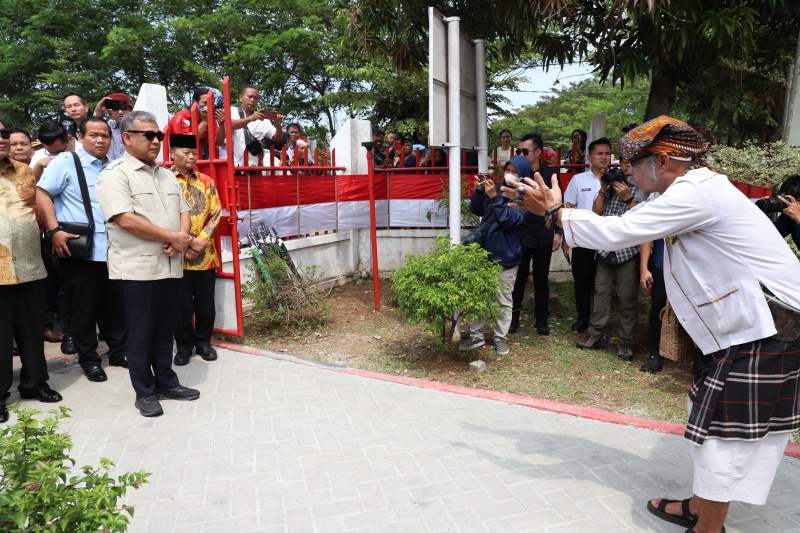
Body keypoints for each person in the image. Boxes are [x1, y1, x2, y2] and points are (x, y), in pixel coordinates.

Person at [502, 116, 800, 533]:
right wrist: (560, 212)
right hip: (750, 325)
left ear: (661, 162)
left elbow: (619, 232)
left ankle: (707, 527)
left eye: (632, 165)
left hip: (765, 330)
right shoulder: (690, 189)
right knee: (710, 421)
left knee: (722, 437)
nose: (627, 173)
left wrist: (555, 212)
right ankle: (699, 506)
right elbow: (621, 226)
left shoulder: (694, 193)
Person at [96, 111, 200, 417]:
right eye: (149, 135)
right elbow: (125, 219)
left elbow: (184, 210)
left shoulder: (166, 174)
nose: (156, 141)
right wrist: (173, 237)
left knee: (164, 330)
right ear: (127, 137)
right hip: (137, 269)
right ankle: (145, 391)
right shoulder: (115, 174)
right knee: (140, 334)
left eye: (159, 136)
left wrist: (181, 238)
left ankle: (166, 382)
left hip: (170, 264)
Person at [36, 116, 128, 383]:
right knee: (83, 309)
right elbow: (43, 194)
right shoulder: (67, 161)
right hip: (80, 249)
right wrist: (54, 231)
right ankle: (89, 360)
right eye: (93, 135)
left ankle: (119, 352)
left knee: (115, 306)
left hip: (114, 249)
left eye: (105, 136)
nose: (100, 140)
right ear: (80, 136)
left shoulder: (114, 166)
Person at [1, 127, 63, 424]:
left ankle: (35, 384)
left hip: (29, 265)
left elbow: (34, 209)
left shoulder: (24, 171)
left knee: (31, 330)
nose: (2, 140)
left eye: (3, 135)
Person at [576, 157, 643, 361]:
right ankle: (595, 334)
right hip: (605, 250)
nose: (626, 167)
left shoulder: (642, 188)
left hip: (627, 251)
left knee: (627, 299)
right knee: (601, 295)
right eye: (623, 163)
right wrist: (604, 188)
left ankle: (625, 342)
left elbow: (644, 220)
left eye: (631, 163)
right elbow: (596, 212)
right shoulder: (609, 184)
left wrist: (627, 197)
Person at [460, 155, 526, 356]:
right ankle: (476, 336)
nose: (510, 174)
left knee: (503, 300)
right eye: (508, 170)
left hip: (507, 256)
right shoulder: (496, 187)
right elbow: (476, 209)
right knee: (481, 297)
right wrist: (479, 192)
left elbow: (508, 219)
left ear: (523, 175)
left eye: (515, 172)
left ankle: (500, 338)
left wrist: (495, 198)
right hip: (485, 253)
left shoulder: (526, 197)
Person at [168, 134, 221, 366]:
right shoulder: (164, 180)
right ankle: (183, 346)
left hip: (205, 254)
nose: (191, 157)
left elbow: (216, 213)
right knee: (180, 305)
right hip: (177, 254)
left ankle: (204, 343)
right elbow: (163, 216)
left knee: (205, 303)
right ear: (172, 153)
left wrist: (200, 242)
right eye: (186, 152)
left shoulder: (206, 181)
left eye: (194, 153)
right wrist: (189, 242)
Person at [510, 133, 562, 336]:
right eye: (518, 151)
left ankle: (541, 320)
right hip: (520, 235)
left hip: (543, 233)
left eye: (525, 151)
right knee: (518, 280)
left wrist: (558, 232)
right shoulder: (517, 173)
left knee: (541, 280)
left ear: (538, 152)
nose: (521, 155)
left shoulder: (550, 174)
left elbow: (558, 205)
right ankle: (513, 319)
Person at [562, 138, 610, 332]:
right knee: (582, 279)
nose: (604, 157)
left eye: (607, 153)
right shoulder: (578, 180)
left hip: (607, 238)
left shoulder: (616, 179)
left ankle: (600, 320)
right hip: (582, 238)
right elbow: (569, 208)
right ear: (589, 157)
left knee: (602, 283)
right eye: (600, 153)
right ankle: (582, 317)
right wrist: (566, 238)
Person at [215, 85, 284, 170]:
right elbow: (230, 124)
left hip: (251, 168)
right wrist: (251, 119)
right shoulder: (230, 111)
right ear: (241, 97)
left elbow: (278, 138)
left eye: (255, 98)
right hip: (230, 166)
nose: (252, 100)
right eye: (250, 96)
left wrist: (278, 125)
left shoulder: (263, 120)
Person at [638, 206, 667, 373]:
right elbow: (647, 232)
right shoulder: (657, 198)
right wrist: (644, 268)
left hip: (689, 265)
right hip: (661, 262)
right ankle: (655, 354)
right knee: (658, 308)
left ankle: (700, 359)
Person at [93, 93, 133, 161]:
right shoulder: (108, 126)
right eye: (115, 109)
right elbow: (95, 127)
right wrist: (99, 110)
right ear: (110, 113)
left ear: (130, 111)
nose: (120, 112)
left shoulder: (139, 127)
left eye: (124, 108)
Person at [772, 175, 800, 248]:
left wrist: (799, 219)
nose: (791, 201)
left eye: (794, 196)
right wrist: (764, 214)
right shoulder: (790, 216)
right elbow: (772, 236)